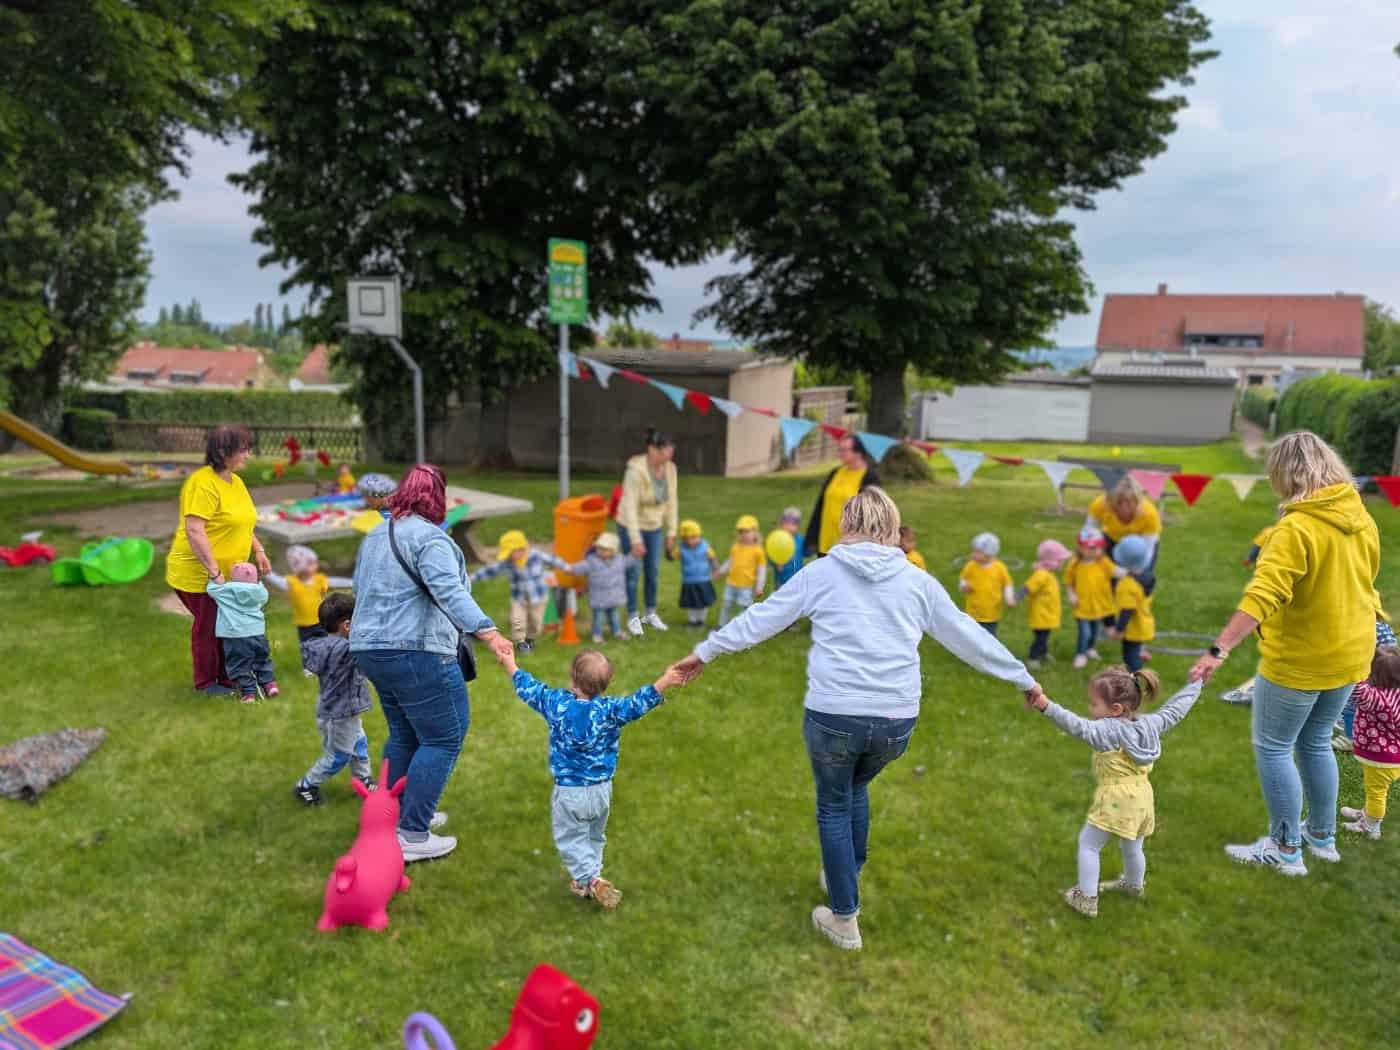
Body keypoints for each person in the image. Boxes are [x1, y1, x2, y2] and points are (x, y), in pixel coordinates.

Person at [670, 487, 1042, 951]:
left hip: (834, 717)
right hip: (894, 722)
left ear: (846, 525)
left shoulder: (821, 573)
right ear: (892, 528)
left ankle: (844, 917)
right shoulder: (915, 580)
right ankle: (846, 869)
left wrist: (705, 652)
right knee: (855, 787)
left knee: (833, 804)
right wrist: (1021, 676)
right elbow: (966, 633)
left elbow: (763, 617)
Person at [1190, 431, 1381, 876]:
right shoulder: (1361, 516)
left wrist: (1219, 649)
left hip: (1302, 660)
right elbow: (1365, 582)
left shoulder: (1295, 528)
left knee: (1274, 747)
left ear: (1283, 474)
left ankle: (1285, 848)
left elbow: (1263, 594)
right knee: (1315, 742)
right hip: (1351, 654)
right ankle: (1322, 836)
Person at [351, 463, 514, 862]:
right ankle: (412, 833)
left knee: (405, 734)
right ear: (437, 498)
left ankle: (392, 817)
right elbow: (450, 593)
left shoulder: (374, 536)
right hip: (415, 650)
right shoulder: (431, 540)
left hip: (369, 649)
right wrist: (489, 632)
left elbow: (359, 589)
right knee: (444, 736)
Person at [502, 646, 685, 909]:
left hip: (570, 792)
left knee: (570, 838)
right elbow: (637, 704)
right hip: (601, 791)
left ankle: (592, 880)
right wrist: (665, 681)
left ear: (573, 679)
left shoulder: (557, 704)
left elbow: (530, 689)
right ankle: (588, 881)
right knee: (594, 836)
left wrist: (510, 663)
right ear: (605, 684)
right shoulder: (609, 711)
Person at [1026, 669, 1202, 918]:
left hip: (1116, 798)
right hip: (1143, 796)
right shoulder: (1150, 724)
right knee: (1133, 846)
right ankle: (1133, 885)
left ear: (1116, 709)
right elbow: (1175, 710)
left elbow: (1074, 725)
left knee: (1089, 845)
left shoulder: (1105, 731)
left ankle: (1086, 899)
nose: (1090, 709)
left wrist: (1044, 704)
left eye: (1094, 704)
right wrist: (1196, 686)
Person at [165, 425, 270, 695]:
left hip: (229, 573)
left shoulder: (235, 482)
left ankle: (229, 676)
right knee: (209, 626)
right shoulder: (203, 483)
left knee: (228, 624)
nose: (248, 453)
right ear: (223, 452)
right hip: (198, 572)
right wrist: (213, 572)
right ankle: (207, 682)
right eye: (243, 448)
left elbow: (243, 523)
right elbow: (194, 529)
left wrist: (258, 549)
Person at [294, 593, 374, 806]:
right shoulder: (347, 650)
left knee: (360, 744)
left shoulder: (322, 645)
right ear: (347, 626)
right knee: (338, 756)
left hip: (335, 707)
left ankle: (362, 779)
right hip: (341, 713)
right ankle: (306, 784)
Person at [617, 428, 679, 637]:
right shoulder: (634, 471)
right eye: (665, 451)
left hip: (654, 527)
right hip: (630, 526)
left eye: (671, 450)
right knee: (633, 573)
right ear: (652, 449)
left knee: (653, 571)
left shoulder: (670, 469)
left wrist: (671, 532)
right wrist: (635, 540)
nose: (669, 455)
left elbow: (672, 502)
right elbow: (629, 507)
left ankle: (650, 613)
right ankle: (633, 616)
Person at [470, 530, 571, 653]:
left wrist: (567, 567)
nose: (508, 556)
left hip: (538, 598)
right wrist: (473, 577)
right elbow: (491, 570)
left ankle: (530, 639)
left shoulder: (535, 556)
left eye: (510, 553)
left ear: (520, 549)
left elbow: (552, 560)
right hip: (519, 599)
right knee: (517, 621)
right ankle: (522, 644)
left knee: (536, 624)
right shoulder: (508, 562)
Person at [1341, 645, 1400, 839]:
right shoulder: (1395, 693)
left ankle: (1371, 826)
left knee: (1376, 792)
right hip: (1391, 754)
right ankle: (1367, 814)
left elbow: (1356, 688)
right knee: (1375, 789)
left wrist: (1355, 663)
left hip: (1381, 758)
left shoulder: (1376, 698)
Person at [264, 544, 353, 671]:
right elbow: (277, 581)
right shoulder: (292, 583)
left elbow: (335, 581)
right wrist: (267, 573)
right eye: (311, 563)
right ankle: (308, 668)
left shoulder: (319, 580)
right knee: (306, 646)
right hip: (303, 624)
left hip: (321, 620)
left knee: (325, 641)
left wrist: (351, 583)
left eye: (314, 563)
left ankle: (326, 661)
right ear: (299, 567)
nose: (315, 566)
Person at [206, 561, 279, 704]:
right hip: (257, 633)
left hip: (235, 636)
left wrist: (214, 577)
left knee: (240, 664)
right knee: (262, 659)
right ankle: (270, 684)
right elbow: (264, 598)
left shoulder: (226, 590)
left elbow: (211, 590)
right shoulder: (260, 591)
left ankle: (249, 693)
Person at [804, 434, 879, 558]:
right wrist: (811, 537)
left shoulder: (869, 478)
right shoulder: (835, 473)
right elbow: (821, 505)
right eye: (840, 449)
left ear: (858, 453)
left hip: (850, 548)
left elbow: (874, 515)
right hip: (826, 543)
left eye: (844, 450)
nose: (840, 453)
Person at [1085, 476, 1162, 588]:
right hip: (1112, 539)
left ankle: (1139, 603)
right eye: (1118, 503)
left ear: (1137, 500)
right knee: (1108, 577)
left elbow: (1148, 549)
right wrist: (1091, 554)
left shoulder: (1149, 514)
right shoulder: (1100, 505)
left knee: (1142, 580)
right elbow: (1088, 532)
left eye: (1130, 503)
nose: (1124, 508)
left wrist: (1135, 570)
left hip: (1140, 546)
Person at [565, 533, 635, 644]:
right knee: (598, 618)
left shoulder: (620, 560)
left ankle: (616, 631)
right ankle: (597, 635)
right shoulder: (592, 561)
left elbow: (628, 562)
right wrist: (571, 569)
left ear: (613, 551)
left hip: (614, 597)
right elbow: (582, 567)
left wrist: (634, 555)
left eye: (604, 549)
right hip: (599, 598)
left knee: (614, 616)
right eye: (599, 548)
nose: (600, 551)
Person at [1064, 526, 1115, 670]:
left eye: (1096, 548)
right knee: (1084, 632)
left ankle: (1090, 648)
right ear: (1080, 547)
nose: (1093, 551)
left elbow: (1114, 571)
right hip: (1082, 606)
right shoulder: (1075, 564)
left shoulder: (1103, 562)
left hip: (1098, 605)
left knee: (1095, 630)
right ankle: (1080, 653)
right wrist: (1071, 595)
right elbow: (1068, 582)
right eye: (1089, 548)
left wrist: (1129, 572)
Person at [1104, 535, 1155, 672]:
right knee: (1135, 647)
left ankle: (1134, 678)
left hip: (1133, 628)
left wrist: (1118, 630)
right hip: (1144, 622)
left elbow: (1127, 611)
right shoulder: (1147, 576)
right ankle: (1139, 653)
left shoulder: (1127, 585)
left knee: (1129, 657)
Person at [1021, 539, 1071, 668]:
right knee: (1040, 638)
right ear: (1051, 561)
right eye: (1060, 561)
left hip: (1047, 614)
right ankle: (1033, 657)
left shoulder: (1047, 574)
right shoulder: (1042, 575)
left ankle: (1043, 653)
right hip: (1041, 615)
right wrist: (1016, 597)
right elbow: (1028, 587)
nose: (1062, 563)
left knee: (1044, 636)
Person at [957, 532, 1014, 636]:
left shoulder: (999, 568)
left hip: (992, 613)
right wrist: (964, 586)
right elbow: (963, 579)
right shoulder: (971, 566)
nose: (973, 554)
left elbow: (1007, 584)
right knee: (972, 636)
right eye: (973, 551)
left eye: (978, 552)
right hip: (973, 611)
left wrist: (1009, 598)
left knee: (989, 637)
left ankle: (988, 651)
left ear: (989, 554)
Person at [715, 514, 767, 627]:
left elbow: (761, 571)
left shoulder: (758, 551)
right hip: (731, 583)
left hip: (746, 586)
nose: (744, 535)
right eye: (741, 532)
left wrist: (759, 587)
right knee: (726, 604)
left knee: (744, 606)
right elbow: (730, 561)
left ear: (755, 532)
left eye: (747, 531)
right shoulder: (736, 547)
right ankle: (721, 625)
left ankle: (743, 627)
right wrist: (721, 571)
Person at [677, 519, 719, 628]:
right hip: (688, 581)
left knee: (702, 602)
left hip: (703, 580)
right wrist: (668, 549)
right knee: (691, 603)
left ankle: (701, 620)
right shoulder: (681, 548)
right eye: (686, 538)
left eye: (693, 537)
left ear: (699, 535)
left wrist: (716, 569)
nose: (690, 541)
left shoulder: (705, 547)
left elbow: (713, 558)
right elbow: (672, 556)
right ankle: (692, 621)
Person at [771, 507, 807, 586]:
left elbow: (806, 552)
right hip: (781, 580)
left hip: (797, 578)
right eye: (786, 523)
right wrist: (776, 563)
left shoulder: (800, 540)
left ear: (798, 526)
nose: (789, 526)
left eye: (793, 524)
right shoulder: (777, 539)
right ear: (781, 524)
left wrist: (812, 547)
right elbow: (771, 555)